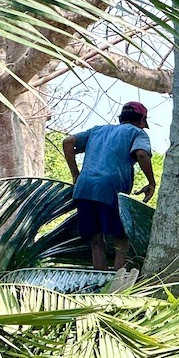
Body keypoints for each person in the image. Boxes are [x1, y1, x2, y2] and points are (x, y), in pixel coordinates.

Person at [62, 101, 156, 270]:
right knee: (121, 240)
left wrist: (75, 174)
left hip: (84, 189)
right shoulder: (137, 133)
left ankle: (101, 281)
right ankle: (116, 287)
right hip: (110, 190)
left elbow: (68, 142)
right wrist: (151, 182)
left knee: (96, 240)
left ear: (122, 118)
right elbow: (141, 154)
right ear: (142, 120)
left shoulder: (98, 130)